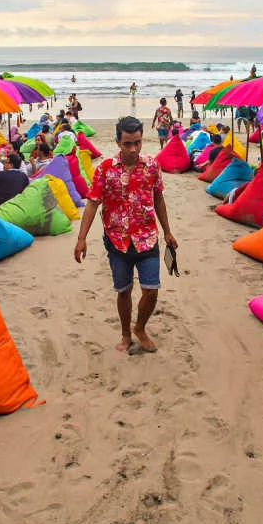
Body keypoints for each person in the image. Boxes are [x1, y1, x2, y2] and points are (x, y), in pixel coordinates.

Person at [75, 116, 177, 354]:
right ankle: (125, 332)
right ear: (118, 142)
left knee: (151, 290)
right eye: (128, 143)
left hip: (147, 237)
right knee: (124, 290)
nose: (133, 149)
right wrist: (81, 239)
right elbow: (92, 203)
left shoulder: (152, 166)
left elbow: (158, 198)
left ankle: (140, 328)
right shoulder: (105, 169)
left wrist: (168, 232)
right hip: (117, 241)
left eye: (137, 143)